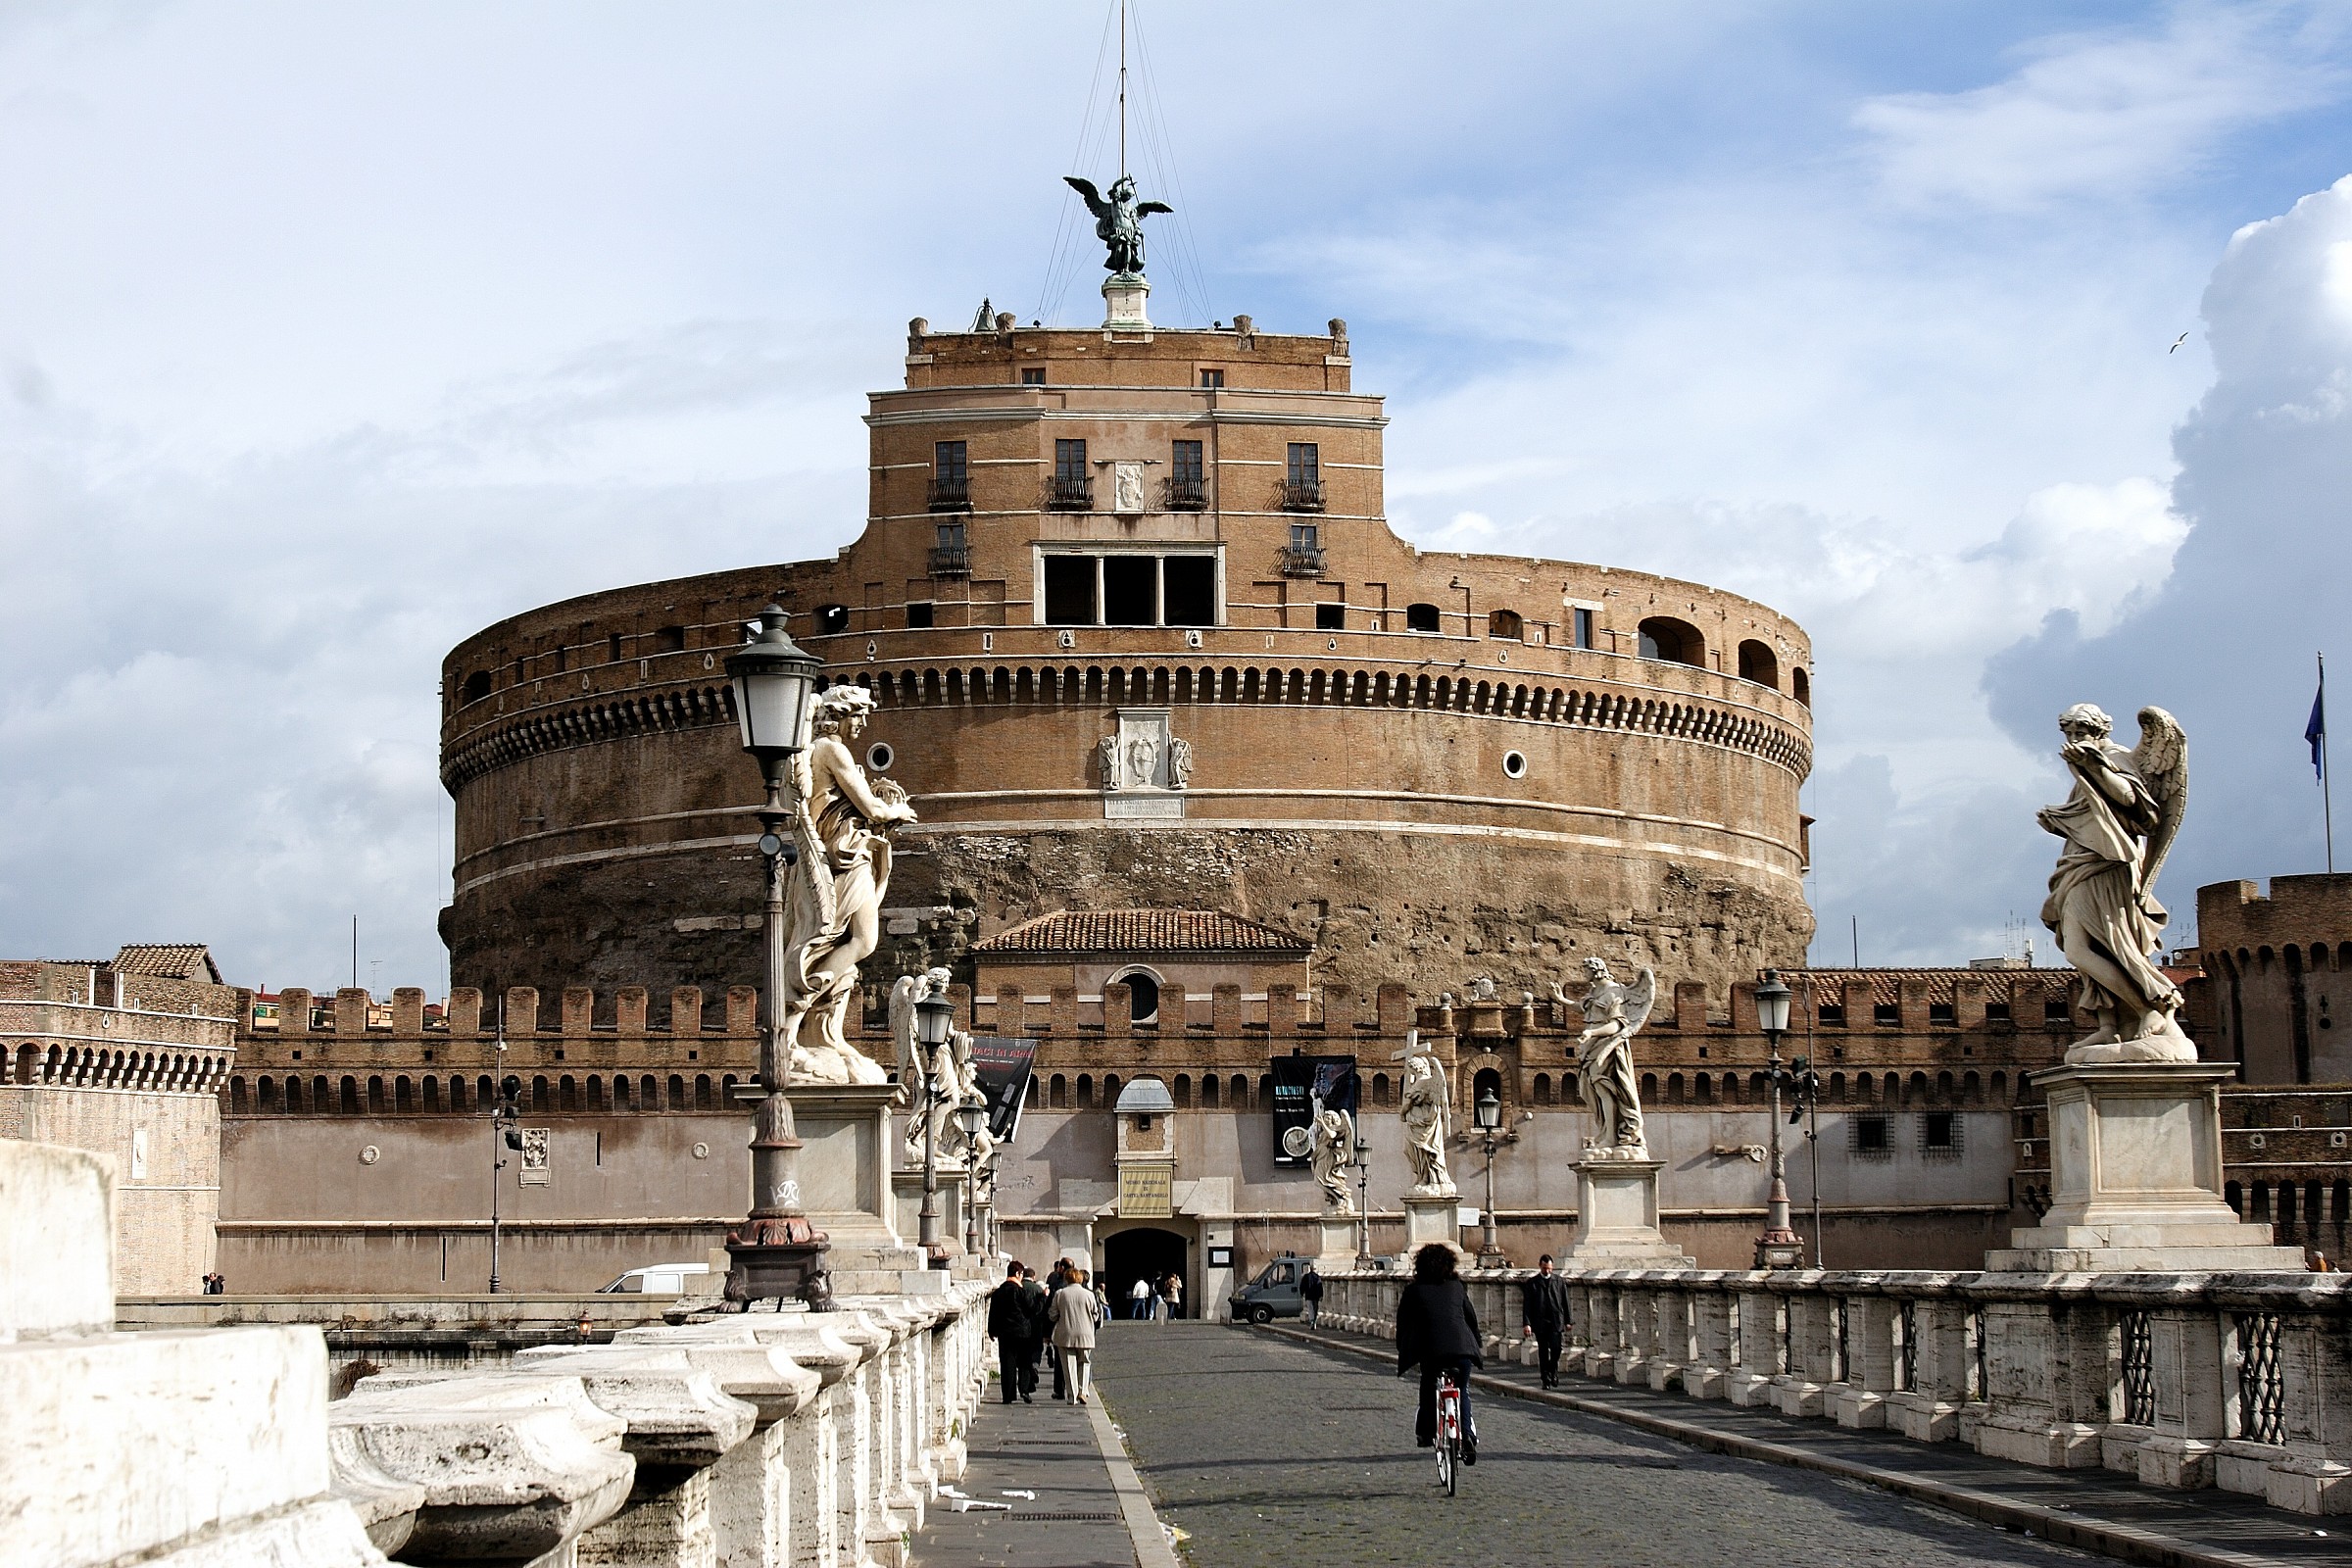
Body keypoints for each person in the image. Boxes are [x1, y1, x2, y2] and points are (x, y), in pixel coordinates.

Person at [1396, 1243, 1481, 1462]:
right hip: (1462, 1350)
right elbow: (1470, 1318)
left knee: (1428, 1386)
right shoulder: (1457, 1287)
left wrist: (1402, 1347)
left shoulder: (1413, 1290)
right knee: (1462, 1389)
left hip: (1432, 1351)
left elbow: (1403, 1323)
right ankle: (1468, 1435)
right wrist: (1476, 1344)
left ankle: (1426, 1432)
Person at [1051, 1266, 1104, 1404]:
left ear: (1066, 1279)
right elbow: (1095, 1314)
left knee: (1069, 1366)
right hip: (1085, 1334)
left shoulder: (1060, 1293)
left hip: (1066, 1333)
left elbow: (1052, 1315)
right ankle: (1082, 1391)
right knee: (1085, 1362)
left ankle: (1072, 1395)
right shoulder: (1089, 1294)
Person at [1520, 1253, 1572, 1389]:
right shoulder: (1532, 1283)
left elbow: (1565, 1302)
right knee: (1543, 1351)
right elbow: (1527, 1305)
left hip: (1556, 1320)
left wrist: (1568, 1320)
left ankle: (1552, 1369)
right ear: (1540, 1266)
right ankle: (1545, 1378)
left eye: (1549, 1268)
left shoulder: (1559, 1281)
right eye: (1544, 1268)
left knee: (1556, 1349)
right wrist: (1527, 1323)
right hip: (1540, 1321)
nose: (1547, 1271)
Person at [987, 1261, 1035, 1403]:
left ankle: (1008, 1395)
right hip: (1022, 1332)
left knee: (1007, 1363)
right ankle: (1024, 1390)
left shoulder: (998, 1292)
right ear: (1018, 1274)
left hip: (1005, 1332)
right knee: (1025, 1362)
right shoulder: (1020, 1291)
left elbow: (993, 1313)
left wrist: (991, 1330)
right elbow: (1030, 1308)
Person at [1299, 1264, 1324, 1329]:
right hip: (1315, 1296)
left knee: (1310, 1309)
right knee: (1315, 1309)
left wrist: (1302, 1293)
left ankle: (1312, 1321)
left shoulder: (1306, 1277)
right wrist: (1321, 1295)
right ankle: (1314, 1321)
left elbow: (1302, 1286)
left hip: (1308, 1296)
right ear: (1315, 1269)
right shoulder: (1317, 1277)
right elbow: (1320, 1287)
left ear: (1310, 1269)